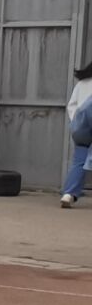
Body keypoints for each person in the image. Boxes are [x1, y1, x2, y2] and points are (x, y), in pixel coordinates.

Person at [63, 62, 92, 207]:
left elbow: (72, 105)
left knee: (79, 161)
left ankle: (68, 194)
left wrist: (76, 122)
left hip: (80, 128)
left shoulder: (82, 83)